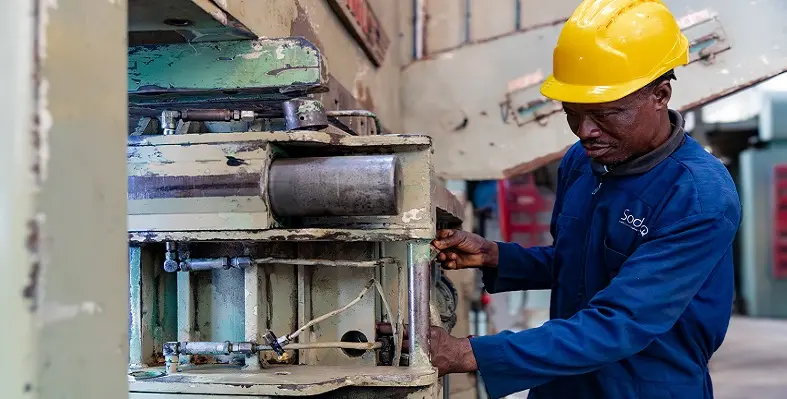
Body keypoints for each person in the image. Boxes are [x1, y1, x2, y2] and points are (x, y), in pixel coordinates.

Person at [421, 0, 741, 398]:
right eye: (572, 113)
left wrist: (470, 353)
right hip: (564, 382)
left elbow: (622, 321)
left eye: (606, 113)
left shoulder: (698, 197)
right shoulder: (584, 160)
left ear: (660, 94)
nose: (585, 132)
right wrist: (497, 256)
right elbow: (583, 264)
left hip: (644, 386)